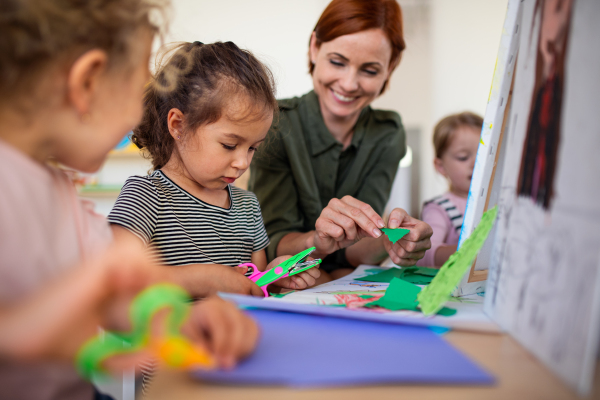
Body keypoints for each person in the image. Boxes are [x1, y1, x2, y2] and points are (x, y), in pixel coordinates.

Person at [0, 1, 258, 399]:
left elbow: (121, 303)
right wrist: (82, 290)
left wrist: (179, 318)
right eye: (136, 91)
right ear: (88, 82)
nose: (141, 114)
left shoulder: (60, 193)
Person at [108, 42, 320, 298]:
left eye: (253, 148)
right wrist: (200, 279)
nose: (242, 162)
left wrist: (272, 278)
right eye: (229, 145)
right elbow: (115, 278)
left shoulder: (248, 206)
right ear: (178, 126)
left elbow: (254, 288)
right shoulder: (146, 196)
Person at [249, 0, 432, 280]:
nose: (348, 84)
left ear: (390, 67)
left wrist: (389, 241)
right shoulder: (273, 124)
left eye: (369, 71)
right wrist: (318, 242)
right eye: (337, 62)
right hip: (288, 279)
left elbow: (353, 249)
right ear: (314, 48)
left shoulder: (388, 132)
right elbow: (271, 245)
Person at [417, 112, 483, 267]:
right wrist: (470, 251)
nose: (477, 163)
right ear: (441, 166)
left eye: (484, 155)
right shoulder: (439, 208)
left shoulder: (502, 201)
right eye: (463, 157)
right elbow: (424, 254)